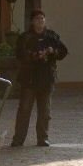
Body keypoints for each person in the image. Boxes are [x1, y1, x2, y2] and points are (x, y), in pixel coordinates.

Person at [11, 9, 68, 147]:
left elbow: (63, 52)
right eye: (37, 19)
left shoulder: (51, 36)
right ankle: (18, 139)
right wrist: (34, 55)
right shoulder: (25, 37)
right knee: (24, 110)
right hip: (29, 78)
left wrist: (52, 51)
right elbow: (19, 53)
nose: (40, 21)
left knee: (45, 111)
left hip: (46, 78)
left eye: (42, 19)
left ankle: (43, 138)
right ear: (32, 21)